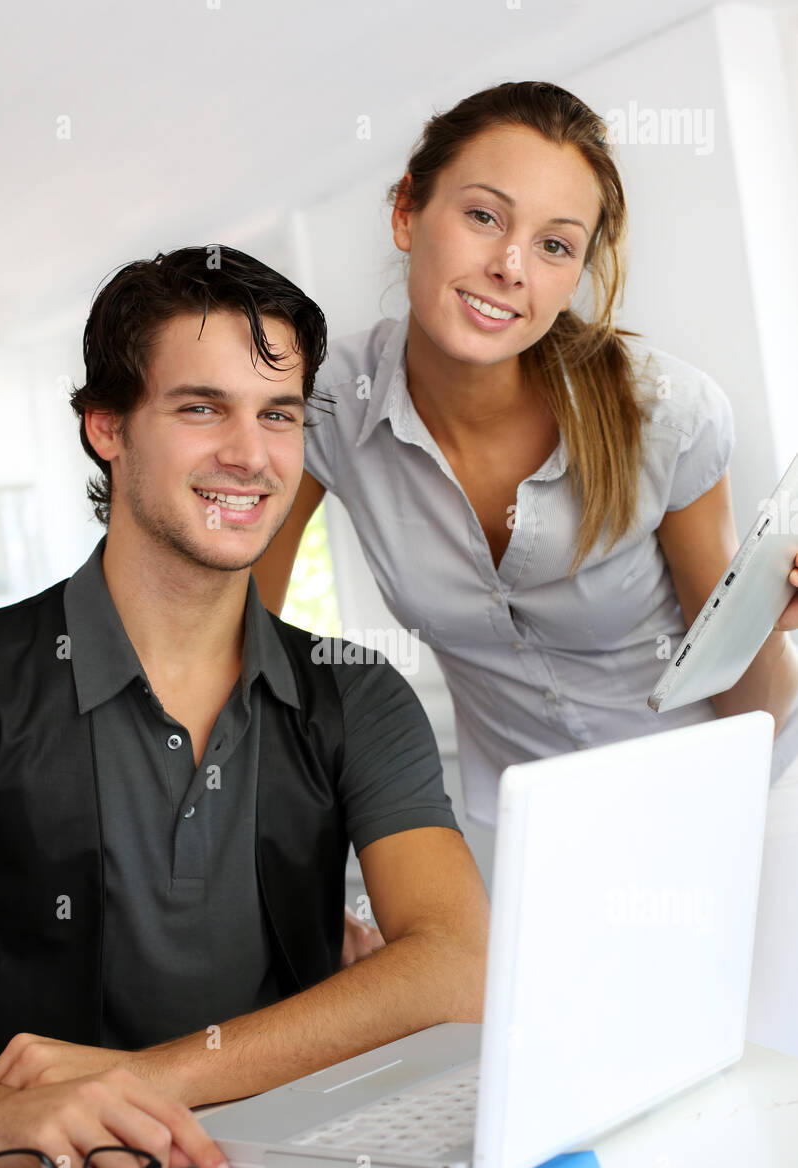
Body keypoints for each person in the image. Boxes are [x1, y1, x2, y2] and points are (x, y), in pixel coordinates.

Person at [0, 246, 489, 1168]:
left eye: (279, 415)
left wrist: (149, 1079)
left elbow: (460, 967)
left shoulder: (356, 692)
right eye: (201, 408)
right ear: (106, 426)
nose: (250, 454)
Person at [252, 79, 798, 841]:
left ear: (576, 273)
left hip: (724, 807)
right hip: (524, 832)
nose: (511, 266)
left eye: (554, 245)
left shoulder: (667, 415)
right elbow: (245, 640)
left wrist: (764, 622)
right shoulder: (327, 402)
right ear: (407, 211)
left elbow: (752, 706)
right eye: (483, 216)